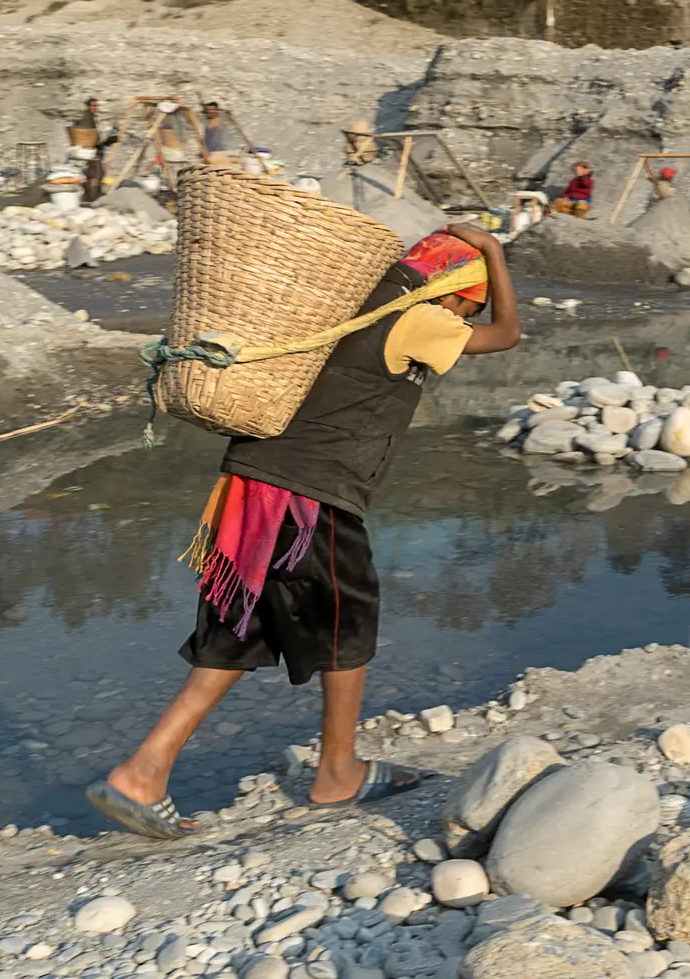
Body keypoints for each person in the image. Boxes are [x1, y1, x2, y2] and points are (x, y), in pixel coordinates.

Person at [86, 225, 521, 837]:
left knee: (238, 631)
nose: (463, 316)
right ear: (450, 288)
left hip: (250, 484)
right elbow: (507, 335)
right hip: (307, 499)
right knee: (348, 617)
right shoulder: (415, 316)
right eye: (465, 304)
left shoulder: (354, 301)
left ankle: (141, 773)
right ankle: (338, 771)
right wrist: (496, 254)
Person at [76, 98, 118, 204]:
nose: (95, 108)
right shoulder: (88, 118)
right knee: (96, 174)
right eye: (93, 106)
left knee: (95, 174)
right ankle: (92, 197)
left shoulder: (90, 117)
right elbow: (89, 139)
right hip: (91, 152)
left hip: (93, 150)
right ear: (88, 106)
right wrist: (106, 142)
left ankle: (91, 196)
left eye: (96, 106)